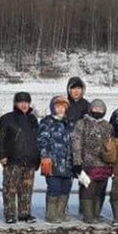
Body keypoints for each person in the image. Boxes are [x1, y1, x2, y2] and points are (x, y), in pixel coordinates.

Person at [0, 91, 41, 223]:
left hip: (29, 160)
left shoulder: (33, 120)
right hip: (13, 159)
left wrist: (37, 158)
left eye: (26, 102)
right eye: (21, 102)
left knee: (26, 189)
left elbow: (37, 139)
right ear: (16, 103)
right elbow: (1, 139)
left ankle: (24, 213)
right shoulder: (7, 118)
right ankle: (10, 214)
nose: (24, 105)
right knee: (10, 188)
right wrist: (2, 155)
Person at [71, 98, 113, 224]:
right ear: (90, 109)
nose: (98, 110)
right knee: (88, 189)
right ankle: (87, 214)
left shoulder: (107, 125)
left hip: (104, 164)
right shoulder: (82, 123)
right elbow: (76, 143)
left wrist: (111, 161)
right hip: (87, 164)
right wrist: (77, 162)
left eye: (100, 109)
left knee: (100, 190)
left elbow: (111, 144)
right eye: (95, 108)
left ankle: (96, 213)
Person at [39, 95, 75, 223]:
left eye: (63, 106)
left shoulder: (69, 123)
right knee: (54, 188)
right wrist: (45, 158)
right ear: (53, 107)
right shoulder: (47, 122)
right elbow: (42, 141)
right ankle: (51, 214)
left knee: (66, 188)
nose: (60, 109)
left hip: (67, 163)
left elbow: (73, 143)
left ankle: (61, 213)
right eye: (58, 106)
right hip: (51, 162)